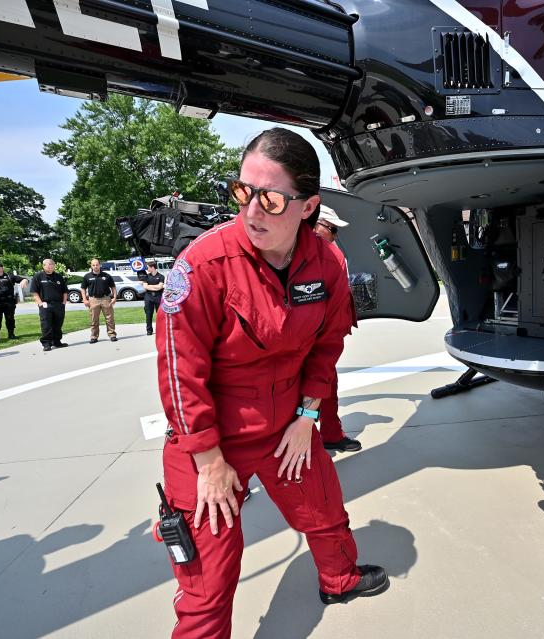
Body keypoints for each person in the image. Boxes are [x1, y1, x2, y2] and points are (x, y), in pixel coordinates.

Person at [156, 127, 387, 638]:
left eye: (272, 199)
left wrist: (308, 416)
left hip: (287, 425)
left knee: (324, 513)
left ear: (309, 207)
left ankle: (340, 578)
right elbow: (179, 371)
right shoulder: (202, 264)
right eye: (243, 192)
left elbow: (326, 348)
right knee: (208, 579)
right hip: (214, 439)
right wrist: (207, 458)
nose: (252, 211)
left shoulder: (327, 262)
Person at [313, 205, 361, 452]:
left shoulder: (327, 253)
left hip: (324, 337)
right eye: (331, 229)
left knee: (327, 383)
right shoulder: (316, 254)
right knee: (314, 386)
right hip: (315, 338)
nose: (334, 235)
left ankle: (330, 433)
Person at [0, 261, 28, 341]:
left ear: (1, 268)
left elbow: (24, 279)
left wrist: (24, 281)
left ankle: (11, 334)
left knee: (10, 318)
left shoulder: (10, 276)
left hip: (8, 302)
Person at [30, 258, 68, 352]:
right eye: (48, 264)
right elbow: (34, 292)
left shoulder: (59, 276)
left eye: (52, 264)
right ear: (44, 266)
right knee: (46, 325)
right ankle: (46, 343)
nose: (51, 266)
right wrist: (40, 304)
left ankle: (57, 341)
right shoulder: (38, 276)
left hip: (58, 304)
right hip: (45, 305)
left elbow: (65, 291)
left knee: (58, 324)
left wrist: (63, 303)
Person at [80, 259, 118, 343]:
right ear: (91, 266)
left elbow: (113, 287)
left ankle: (112, 334)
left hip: (106, 299)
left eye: (97, 265)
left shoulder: (106, 275)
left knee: (110, 318)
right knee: (94, 319)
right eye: (93, 265)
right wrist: (85, 300)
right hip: (93, 300)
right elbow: (83, 289)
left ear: (99, 265)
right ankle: (94, 336)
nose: (95, 266)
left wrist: (114, 297)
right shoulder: (87, 276)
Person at [138, 261, 165, 336]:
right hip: (148, 297)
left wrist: (151, 287)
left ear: (152, 267)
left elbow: (160, 286)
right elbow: (145, 287)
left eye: (148, 267)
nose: (147, 269)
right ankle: (149, 330)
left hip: (158, 297)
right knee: (148, 314)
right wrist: (156, 287)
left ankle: (161, 329)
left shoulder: (161, 276)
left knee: (160, 315)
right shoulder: (146, 276)